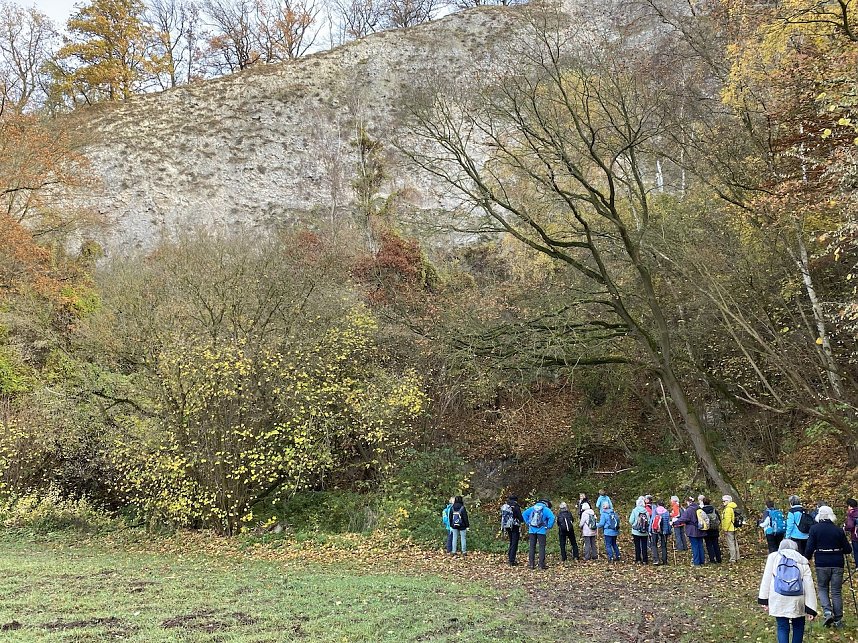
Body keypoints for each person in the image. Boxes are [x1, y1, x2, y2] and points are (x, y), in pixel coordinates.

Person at [758, 539, 817, 643]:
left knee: (782, 626)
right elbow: (809, 585)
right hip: (798, 598)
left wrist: (764, 600)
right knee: (798, 626)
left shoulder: (773, 557)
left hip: (778, 596)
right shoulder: (802, 560)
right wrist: (811, 608)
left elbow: (766, 578)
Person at [806, 505, 851, 628]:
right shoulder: (838, 530)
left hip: (822, 563)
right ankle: (838, 620)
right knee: (836, 592)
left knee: (822, 588)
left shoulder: (814, 529)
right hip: (837, 563)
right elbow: (848, 549)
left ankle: (827, 612)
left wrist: (807, 558)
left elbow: (810, 547)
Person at [522, 498, 556, 570]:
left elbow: (524, 514)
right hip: (542, 530)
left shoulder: (532, 508)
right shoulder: (546, 510)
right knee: (541, 547)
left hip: (531, 530)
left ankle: (531, 564)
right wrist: (548, 526)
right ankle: (541, 565)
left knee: (532, 547)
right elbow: (552, 517)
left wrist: (528, 522)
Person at [677, 497, 706, 566]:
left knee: (694, 546)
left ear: (688, 502)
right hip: (700, 529)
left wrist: (675, 522)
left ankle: (696, 562)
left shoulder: (689, 510)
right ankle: (702, 561)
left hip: (692, 530)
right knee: (700, 545)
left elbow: (684, 519)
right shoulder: (699, 508)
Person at [501, 495, 524, 566]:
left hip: (507, 526)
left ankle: (510, 557)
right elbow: (520, 517)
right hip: (514, 526)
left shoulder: (505, 506)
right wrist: (522, 520)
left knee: (511, 541)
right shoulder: (515, 506)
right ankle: (512, 560)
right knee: (514, 542)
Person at [649, 499, 671, 565]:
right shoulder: (666, 512)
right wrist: (669, 531)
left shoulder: (655, 511)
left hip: (655, 530)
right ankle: (664, 560)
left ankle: (656, 559)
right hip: (664, 531)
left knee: (654, 544)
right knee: (664, 546)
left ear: (657, 505)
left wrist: (650, 530)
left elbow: (652, 520)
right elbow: (668, 522)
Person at [701, 497, 722, 564]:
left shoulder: (702, 510)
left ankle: (712, 559)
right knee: (716, 544)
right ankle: (719, 558)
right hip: (715, 529)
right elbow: (719, 519)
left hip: (707, 530)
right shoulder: (714, 510)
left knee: (709, 545)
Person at [629, 497, 650, 564]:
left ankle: (638, 559)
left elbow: (631, 520)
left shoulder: (634, 510)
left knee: (637, 546)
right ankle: (645, 560)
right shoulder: (646, 511)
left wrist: (634, 525)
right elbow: (649, 521)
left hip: (636, 531)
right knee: (644, 545)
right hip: (645, 531)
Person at [722, 495, 741, 563]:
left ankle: (733, 558)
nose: (723, 502)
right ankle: (737, 557)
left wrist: (725, 529)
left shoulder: (728, 509)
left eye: (724, 501)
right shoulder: (732, 508)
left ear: (728, 501)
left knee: (731, 544)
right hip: (733, 528)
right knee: (735, 543)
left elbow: (727, 520)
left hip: (729, 529)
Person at [844, 498, 858, 568]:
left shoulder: (851, 513)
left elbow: (850, 525)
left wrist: (845, 528)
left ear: (849, 506)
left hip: (855, 536)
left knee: (856, 552)